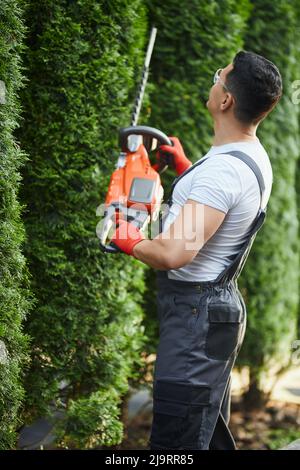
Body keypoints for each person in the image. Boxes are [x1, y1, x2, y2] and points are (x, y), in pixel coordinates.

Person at [111, 51, 282, 450]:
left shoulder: (221, 173)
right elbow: (222, 205)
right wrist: (187, 169)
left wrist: (124, 235)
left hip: (195, 320)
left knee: (177, 443)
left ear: (226, 101)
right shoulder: (249, 154)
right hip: (214, 311)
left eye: (217, 76)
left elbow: (173, 253)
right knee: (207, 433)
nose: (213, 81)